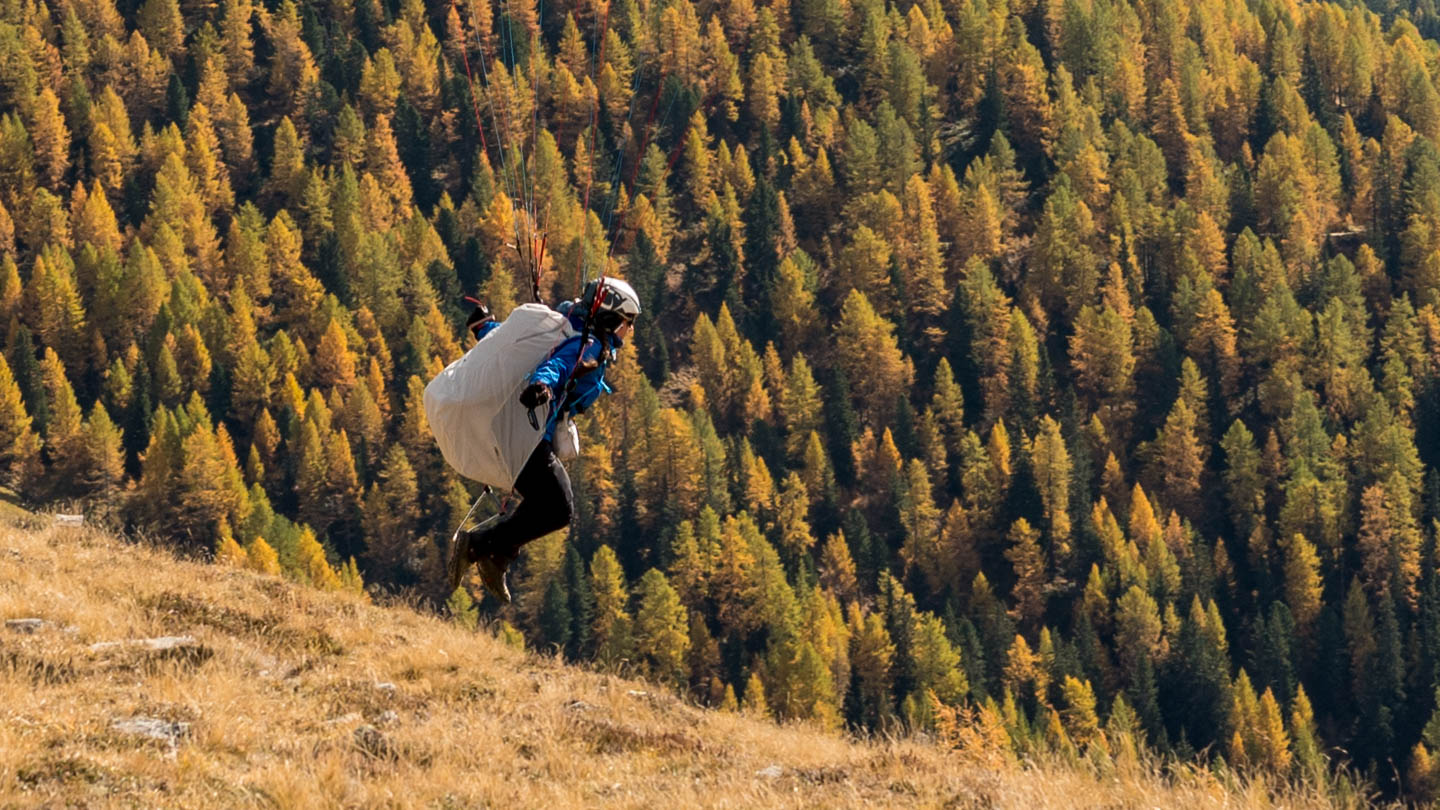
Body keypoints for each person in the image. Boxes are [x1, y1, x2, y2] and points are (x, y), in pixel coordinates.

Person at [448, 277, 641, 602]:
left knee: (546, 504)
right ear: (609, 317)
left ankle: (496, 554)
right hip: (526, 436)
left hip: (516, 433)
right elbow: (556, 365)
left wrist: (484, 327)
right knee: (559, 508)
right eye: (628, 322)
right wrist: (543, 386)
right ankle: (480, 547)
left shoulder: (566, 327)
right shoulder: (587, 343)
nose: (630, 331)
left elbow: (524, 346)